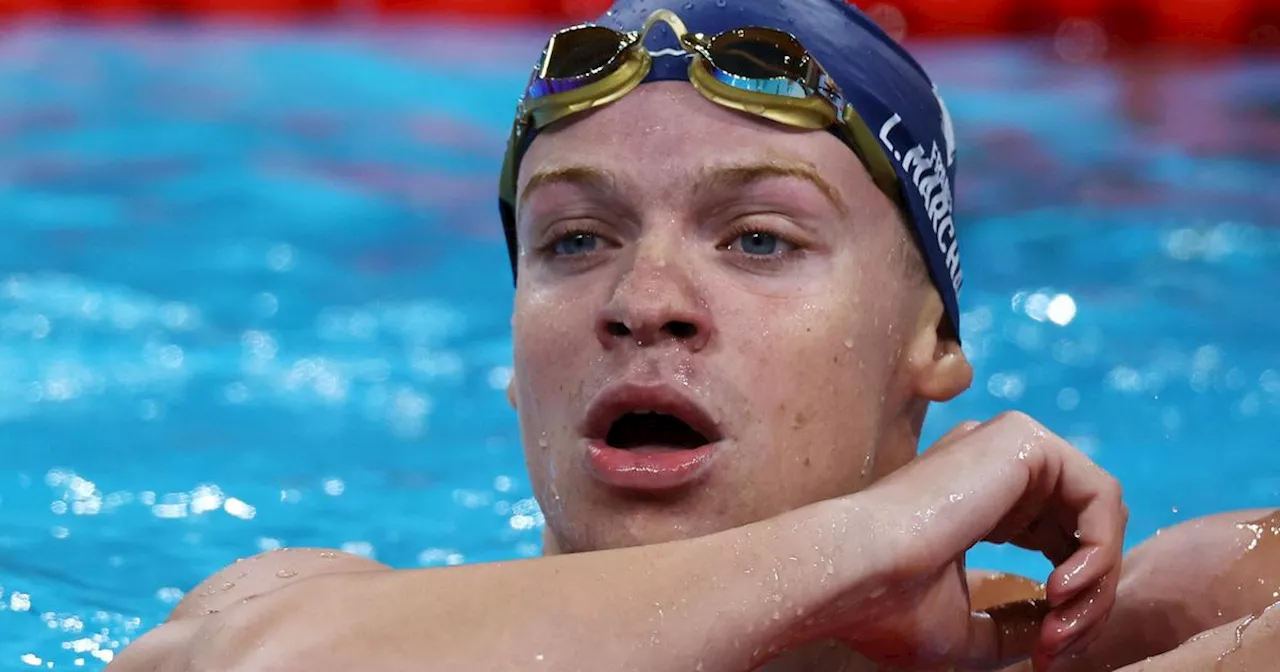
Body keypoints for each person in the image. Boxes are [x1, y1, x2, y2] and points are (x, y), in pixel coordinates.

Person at [108, 1, 1279, 670]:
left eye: (758, 238)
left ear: (928, 341)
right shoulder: (304, 608)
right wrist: (864, 549)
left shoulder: (1159, 623)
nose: (641, 298)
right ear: (513, 363)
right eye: (572, 242)